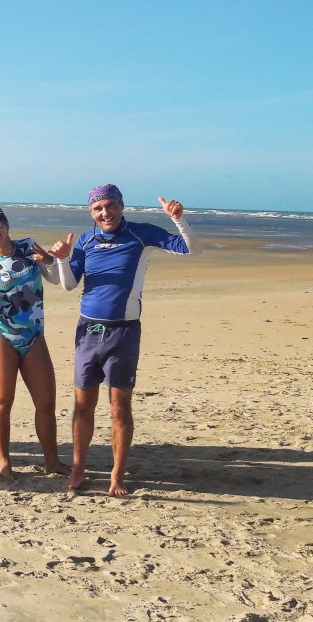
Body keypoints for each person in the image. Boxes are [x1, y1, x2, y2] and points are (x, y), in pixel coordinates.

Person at [58, 184, 202, 496]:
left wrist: (178, 219)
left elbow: (192, 249)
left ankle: (117, 475)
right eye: (97, 209)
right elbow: (69, 284)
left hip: (123, 333)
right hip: (87, 331)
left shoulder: (141, 234)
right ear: (91, 212)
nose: (105, 213)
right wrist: (61, 260)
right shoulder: (85, 240)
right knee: (82, 404)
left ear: (121, 206)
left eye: (110, 206)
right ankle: (79, 469)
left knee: (119, 407)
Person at [0, 204, 73, 480]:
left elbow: (55, 280)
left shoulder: (29, 246)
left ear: (6, 224)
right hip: (3, 338)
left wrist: (50, 260)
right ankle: (4, 462)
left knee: (46, 404)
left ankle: (52, 461)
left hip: (34, 337)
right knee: (2, 402)